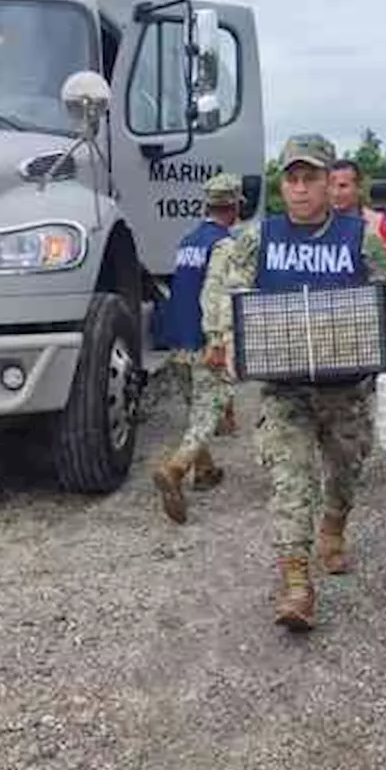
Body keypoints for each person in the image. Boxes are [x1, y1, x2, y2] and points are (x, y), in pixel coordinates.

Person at [203, 134, 386, 631]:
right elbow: (224, 282)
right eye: (292, 179)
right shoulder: (261, 237)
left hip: (347, 384)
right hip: (286, 387)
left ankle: (334, 526)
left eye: (311, 178)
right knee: (290, 478)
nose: (300, 189)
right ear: (284, 185)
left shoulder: (356, 236)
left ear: (327, 183)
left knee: (344, 469)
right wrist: (222, 334)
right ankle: (296, 584)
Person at [152, 172, 243, 524]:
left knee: (196, 409)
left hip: (177, 338)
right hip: (204, 339)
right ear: (234, 206)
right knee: (210, 412)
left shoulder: (188, 241)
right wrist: (218, 339)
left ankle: (205, 471)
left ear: (207, 204)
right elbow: (215, 295)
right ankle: (174, 469)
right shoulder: (224, 245)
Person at [328, 159, 386, 266]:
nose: (336, 193)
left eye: (343, 186)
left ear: (359, 188)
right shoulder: (316, 224)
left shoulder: (377, 224)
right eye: (331, 186)